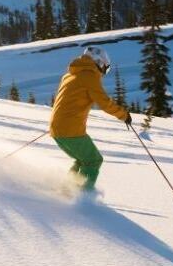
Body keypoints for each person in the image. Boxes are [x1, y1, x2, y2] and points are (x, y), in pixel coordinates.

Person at [49, 46, 130, 196]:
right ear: (99, 63)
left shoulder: (69, 75)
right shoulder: (89, 76)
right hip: (70, 129)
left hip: (58, 128)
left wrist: (60, 122)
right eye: (105, 67)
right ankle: (83, 198)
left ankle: (66, 191)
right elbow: (104, 102)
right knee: (93, 160)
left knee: (82, 160)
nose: (104, 72)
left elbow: (65, 100)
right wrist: (124, 115)